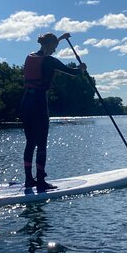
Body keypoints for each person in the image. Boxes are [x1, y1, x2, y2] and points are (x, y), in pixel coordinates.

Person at [21, 32, 86, 190]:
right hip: (38, 103)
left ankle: (29, 179)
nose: (55, 51)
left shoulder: (29, 56)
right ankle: (41, 182)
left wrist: (61, 38)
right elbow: (72, 72)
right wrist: (82, 69)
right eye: (54, 47)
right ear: (49, 45)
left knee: (30, 142)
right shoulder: (50, 61)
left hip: (25, 102)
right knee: (42, 143)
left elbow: (46, 46)